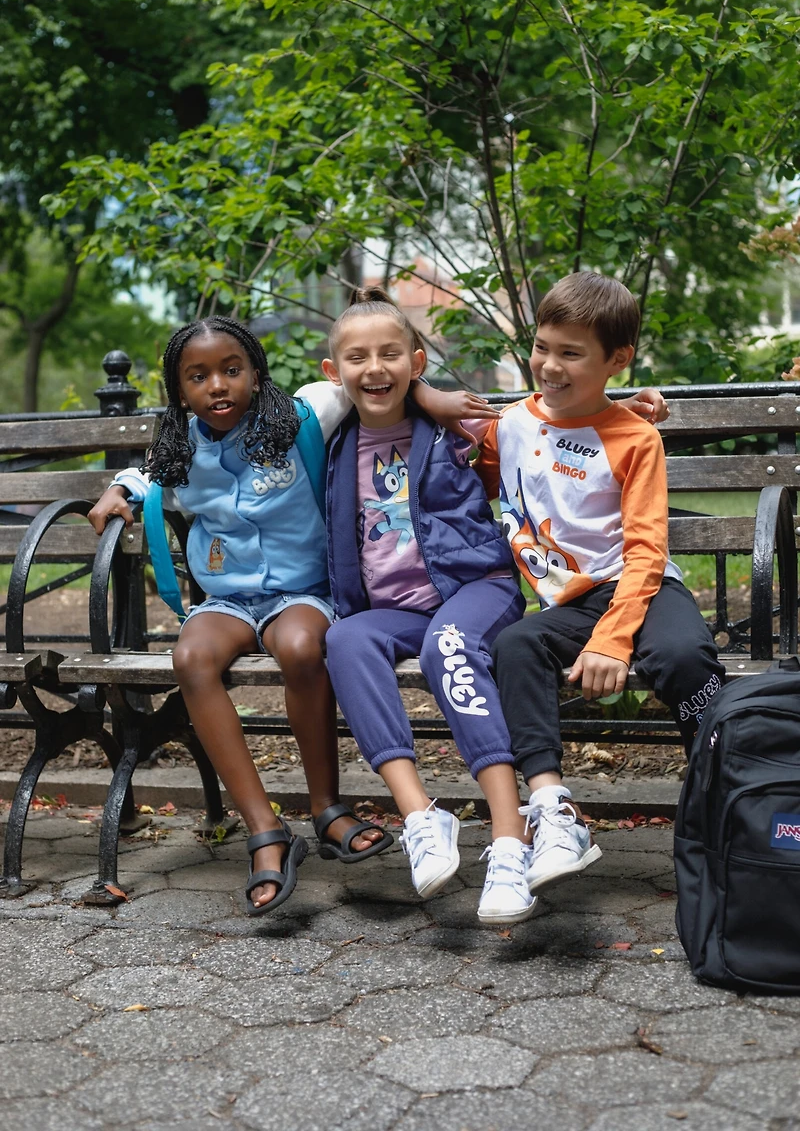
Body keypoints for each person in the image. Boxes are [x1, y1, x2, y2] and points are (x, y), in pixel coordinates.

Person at [87, 315, 474, 915]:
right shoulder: (181, 448)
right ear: (179, 391)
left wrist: (433, 396)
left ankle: (327, 809)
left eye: (231, 370)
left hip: (304, 592)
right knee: (191, 657)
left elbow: (373, 380)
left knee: (300, 647)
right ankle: (265, 829)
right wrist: (119, 491)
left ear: (256, 372)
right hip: (227, 600)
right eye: (198, 377)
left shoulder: (303, 415)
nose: (218, 385)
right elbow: (146, 476)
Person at [476, 272, 724, 897]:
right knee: (516, 645)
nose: (548, 366)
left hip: (642, 585)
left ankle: (722, 792)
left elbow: (647, 550)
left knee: (683, 656)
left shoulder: (636, 437)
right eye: (542, 347)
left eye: (571, 353)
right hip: (573, 600)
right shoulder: (508, 426)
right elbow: (470, 470)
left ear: (617, 360)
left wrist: (613, 640)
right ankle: (553, 809)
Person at [321, 286, 543, 924]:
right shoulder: (330, 439)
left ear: (416, 363)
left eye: (391, 355)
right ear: (334, 373)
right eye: (358, 358)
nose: (375, 368)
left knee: (448, 648)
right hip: (395, 609)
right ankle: (421, 816)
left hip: (474, 590)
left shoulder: (452, 427)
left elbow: (541, 422)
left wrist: (627, 408)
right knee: (344, 640)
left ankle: (510, 838)